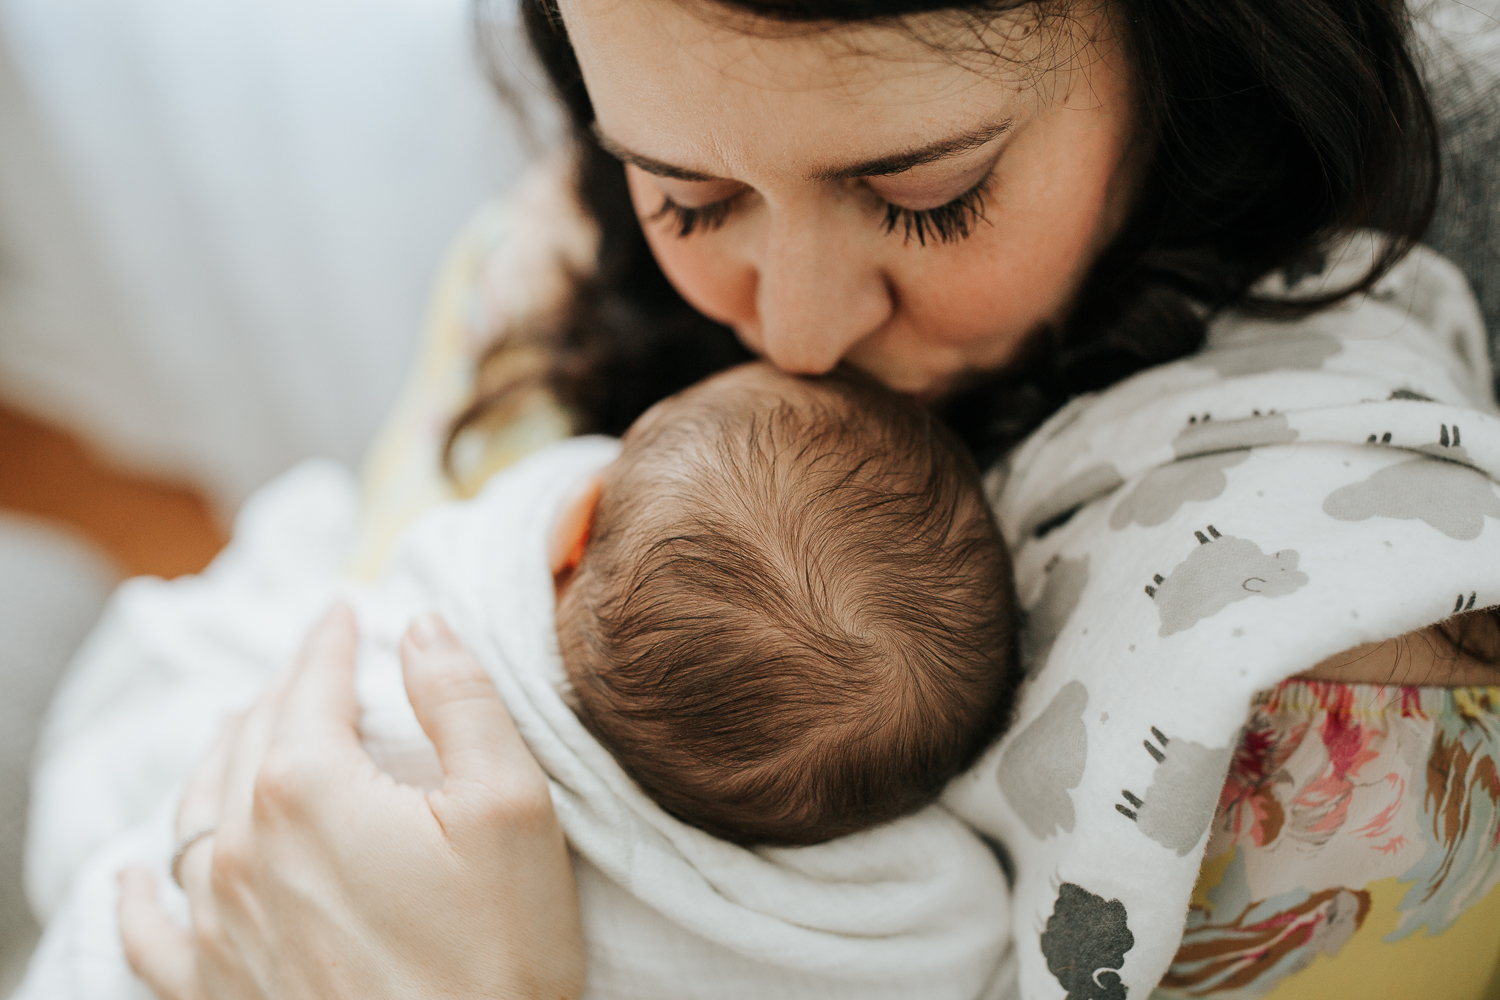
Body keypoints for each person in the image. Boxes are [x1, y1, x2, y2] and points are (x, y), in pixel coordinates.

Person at [24, 0, 1492, 995]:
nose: (789, 332)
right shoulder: (548, 255)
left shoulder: (1332, 715)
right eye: (689, 197)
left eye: (925, 196)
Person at [16, 362, 1021, 999]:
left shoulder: (474, 612)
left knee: (294, 541)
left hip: (162, 925)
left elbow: (451, 554)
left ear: (574, 524)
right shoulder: (896, 920)